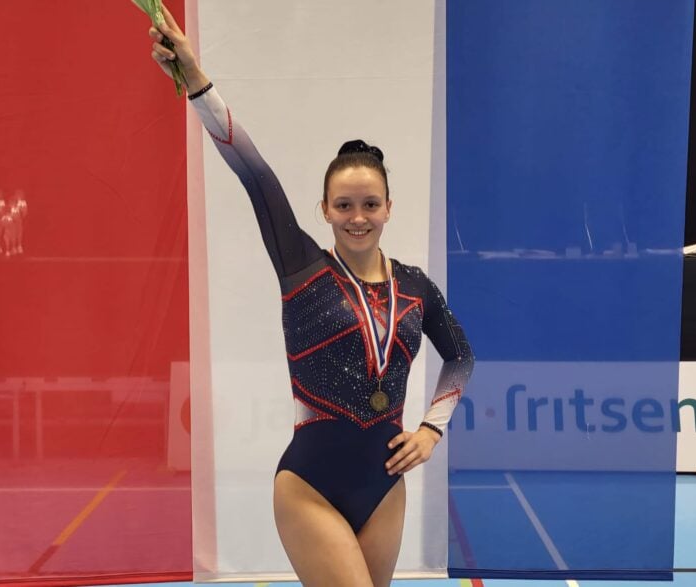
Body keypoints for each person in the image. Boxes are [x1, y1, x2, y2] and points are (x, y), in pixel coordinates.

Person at [148, 7, 474, 586]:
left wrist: (431, 430)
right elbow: (253, 172)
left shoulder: (416, 286)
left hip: (385, 486)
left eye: (370, 204)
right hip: (310, 485)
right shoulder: (301, 267)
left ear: (389, 209)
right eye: (344, 205)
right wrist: (196, 80)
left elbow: (462, 357)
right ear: (324, 209)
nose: (357, 217)